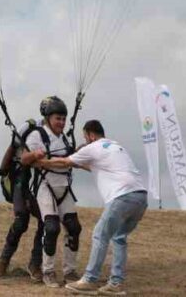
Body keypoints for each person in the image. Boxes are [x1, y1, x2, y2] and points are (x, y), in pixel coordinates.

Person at [42, 120, 148, 295]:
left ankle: (90, 280)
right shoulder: (115, 146)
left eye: (85, 137)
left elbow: (64, 162)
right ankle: (116, 284)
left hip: (121, 196)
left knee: (100, 234)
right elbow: (94, 167)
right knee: (119, 238)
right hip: (140, 196)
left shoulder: (93, 147)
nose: (85, 140)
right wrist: (80, 158)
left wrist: (42, 162)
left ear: (90, 135)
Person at [23, 97, 82, 287]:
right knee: (51, 228)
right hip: (45, 186)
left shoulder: (66, 137)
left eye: (64, 119)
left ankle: (70, 271)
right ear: (48, 118)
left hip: (64, 186)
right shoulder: (36, 135)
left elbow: (74, 158)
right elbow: (24, 159)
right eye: (58, 118)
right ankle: (48, 271)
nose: (62, 123)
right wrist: (34, 155)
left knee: (74, 227)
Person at [0, 119, 45, 280]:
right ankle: (3, 260)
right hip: (20, 179)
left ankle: (35, 264)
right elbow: (12, 148)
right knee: (21, 219)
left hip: (38, 182)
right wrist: (2, 172)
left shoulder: (55, 134)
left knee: (47, 220)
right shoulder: (30, 128)